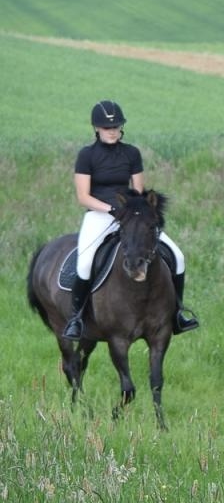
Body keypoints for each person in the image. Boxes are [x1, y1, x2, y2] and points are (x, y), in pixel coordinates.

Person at [62, 100, 199, 340]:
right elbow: (83, 197)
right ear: (97, 128)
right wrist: (111, 209)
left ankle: (177, 314)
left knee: (178, 256)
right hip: (99, 214)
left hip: (131, 216)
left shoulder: (132, 153)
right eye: (107, 127)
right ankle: (77, 319)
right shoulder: (86, 155)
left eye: (116, 126)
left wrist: (135, 212)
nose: (112, 131)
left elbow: (138, 192)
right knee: (84, 263)